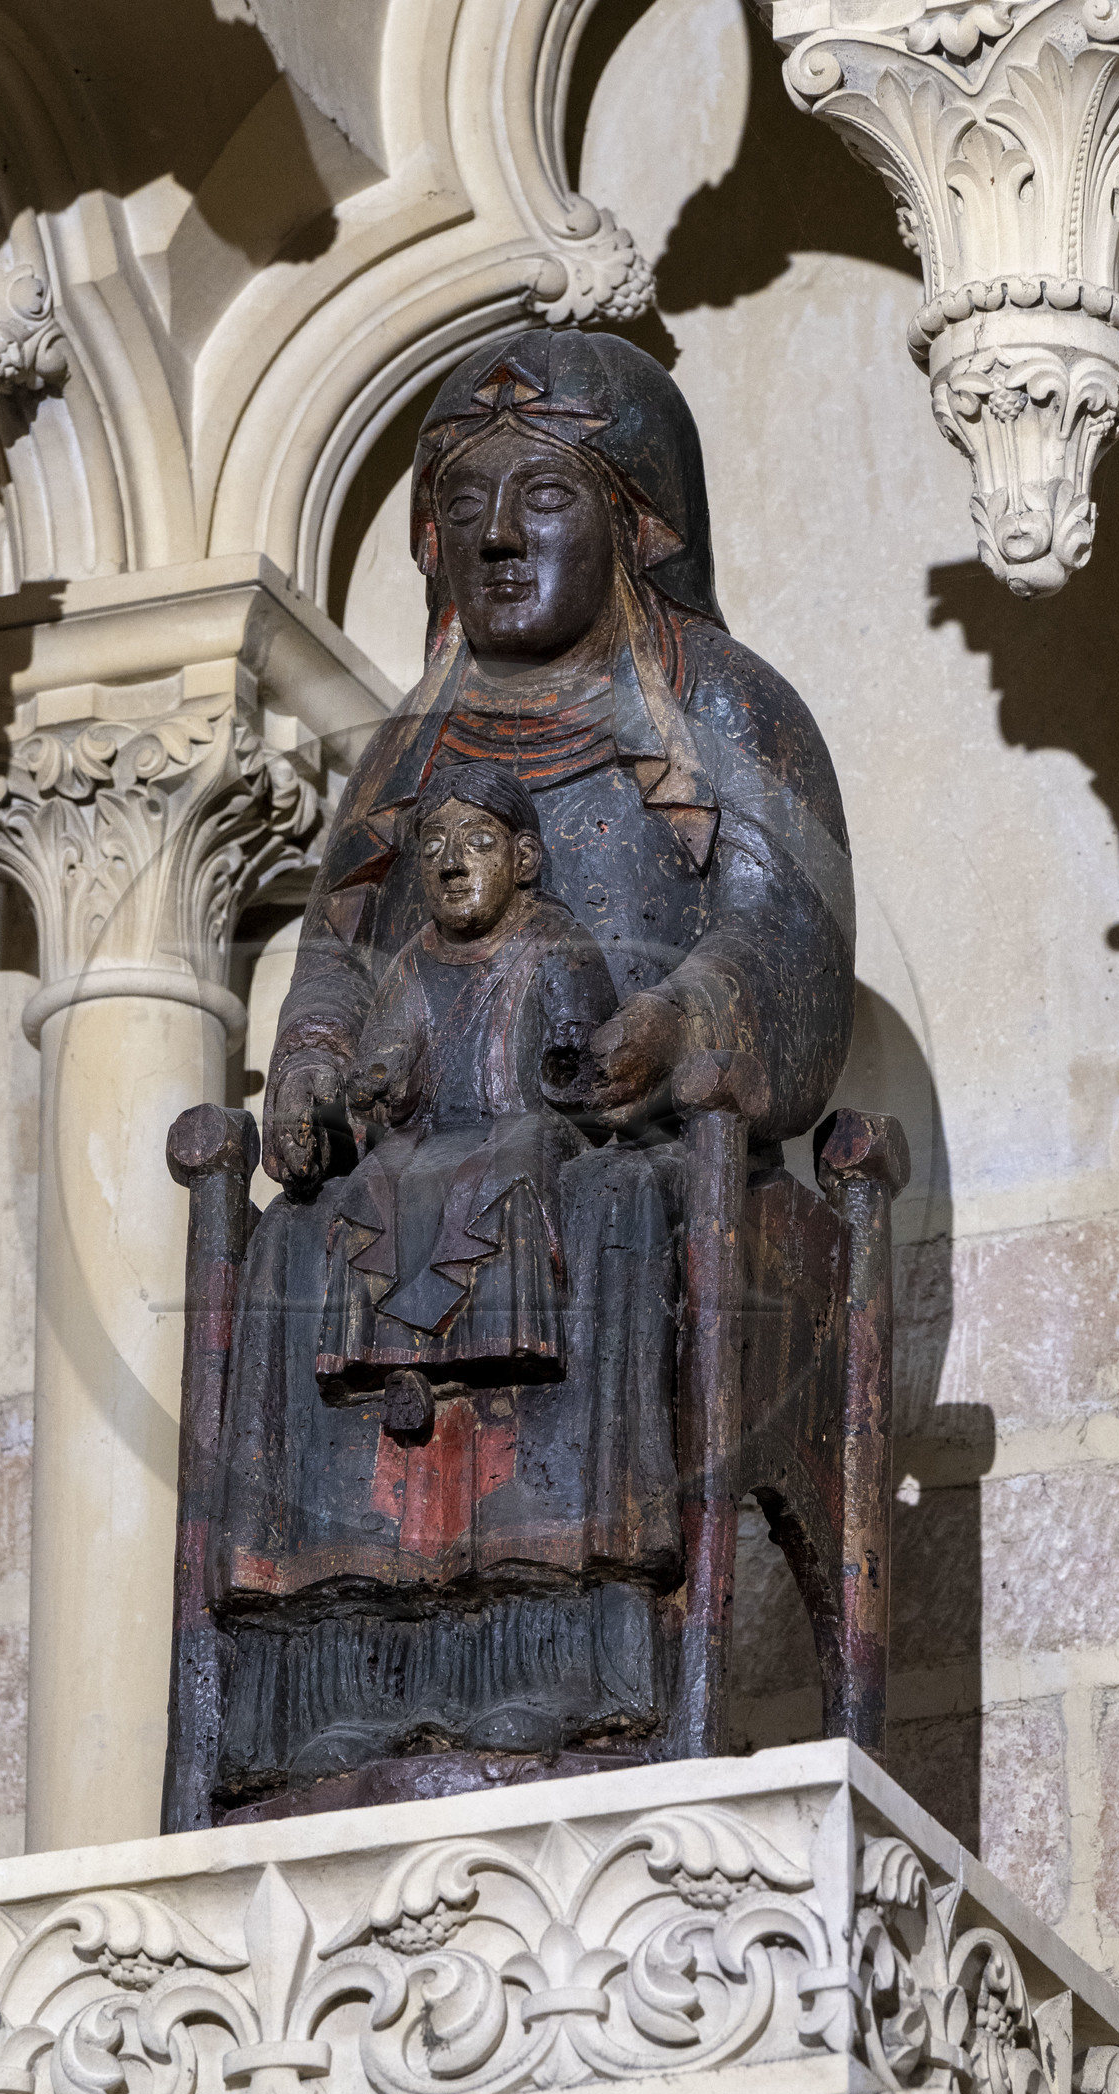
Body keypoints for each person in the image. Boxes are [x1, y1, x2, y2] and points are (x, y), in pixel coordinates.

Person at [202, 326, 856, 1807]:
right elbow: (338, 957)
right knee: (303, 1239)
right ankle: (333, 1692)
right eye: (466, 504)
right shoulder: (406, 754)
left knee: (598, 1216)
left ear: (634, 524)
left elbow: (785, 935)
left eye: (543, 495)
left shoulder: (725, 709)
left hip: (634, 1153)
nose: (497, 535)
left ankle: (577, 1670)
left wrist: (675, 1024)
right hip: (436, 1141)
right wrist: (311, 1065)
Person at [318, 760, 617, 1413]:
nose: (451, 865)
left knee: (508, 1169)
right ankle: (382, 1355)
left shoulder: (555, 940)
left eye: (478, 843)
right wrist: (377, 1079)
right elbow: (389, 1052)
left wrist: (571, 1058)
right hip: (430, 1134)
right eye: (432, 849)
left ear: (524, 858)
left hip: (529, 1125)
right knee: (369, 1185)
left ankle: (502, 1339)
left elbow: (584, 1058)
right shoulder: (414, 959)